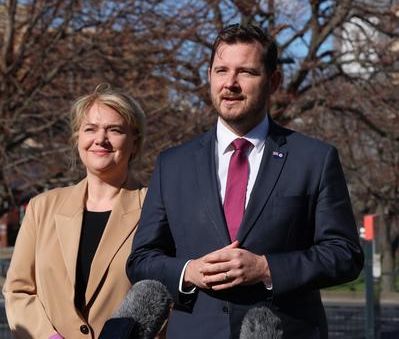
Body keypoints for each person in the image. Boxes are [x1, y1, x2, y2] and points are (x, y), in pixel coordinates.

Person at [126, 23, 363, 339]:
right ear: (210, 76)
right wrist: (188, 272)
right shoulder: (173, 164)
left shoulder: (314, 159)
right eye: (221, 70)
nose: (230, 83)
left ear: (273, 81)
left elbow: (344, 254)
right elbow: (141, 260)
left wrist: (266, 269)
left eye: (246, 72)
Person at [3, 86, 147, 338]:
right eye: (90, 129)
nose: (100, 139)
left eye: (114, 130)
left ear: (135, 142)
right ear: (77, 138)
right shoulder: (42, 207)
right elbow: (18, 290)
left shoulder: (155, 207)